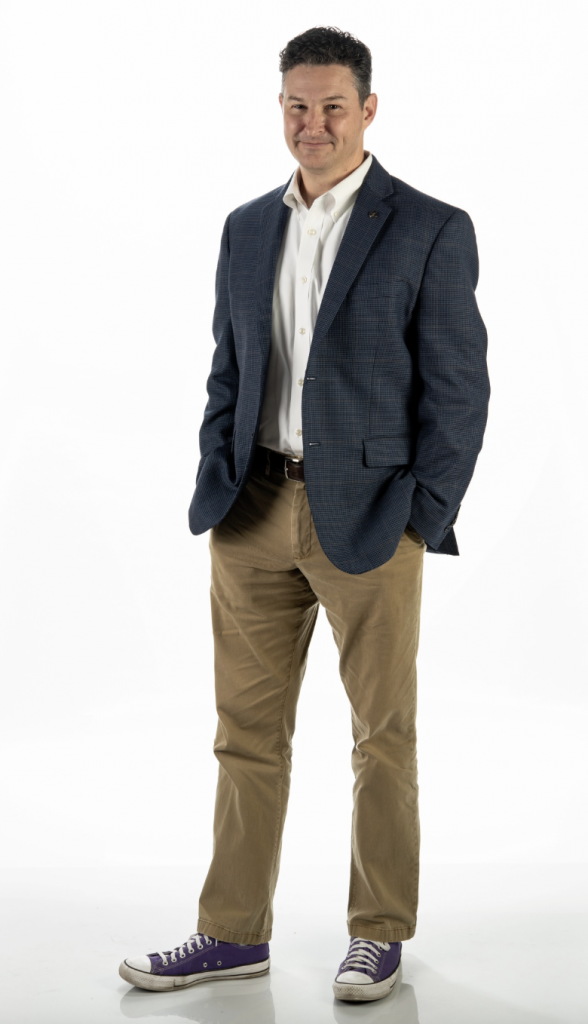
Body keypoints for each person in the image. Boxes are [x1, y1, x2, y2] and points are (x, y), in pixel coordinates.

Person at [119, 25, 490, 1004]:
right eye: (296, 105)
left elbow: (458, 390)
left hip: (370, 518)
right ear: (278, 107)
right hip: (248, 513)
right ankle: (230, 933)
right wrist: (216, 466)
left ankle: (379, 933)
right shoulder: (246, 226)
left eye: (332, 105)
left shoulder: (429, 227)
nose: (312, 123)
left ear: (368, 110)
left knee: (382, 736)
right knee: (244, 732)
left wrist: (424, 512)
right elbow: (227, 368)